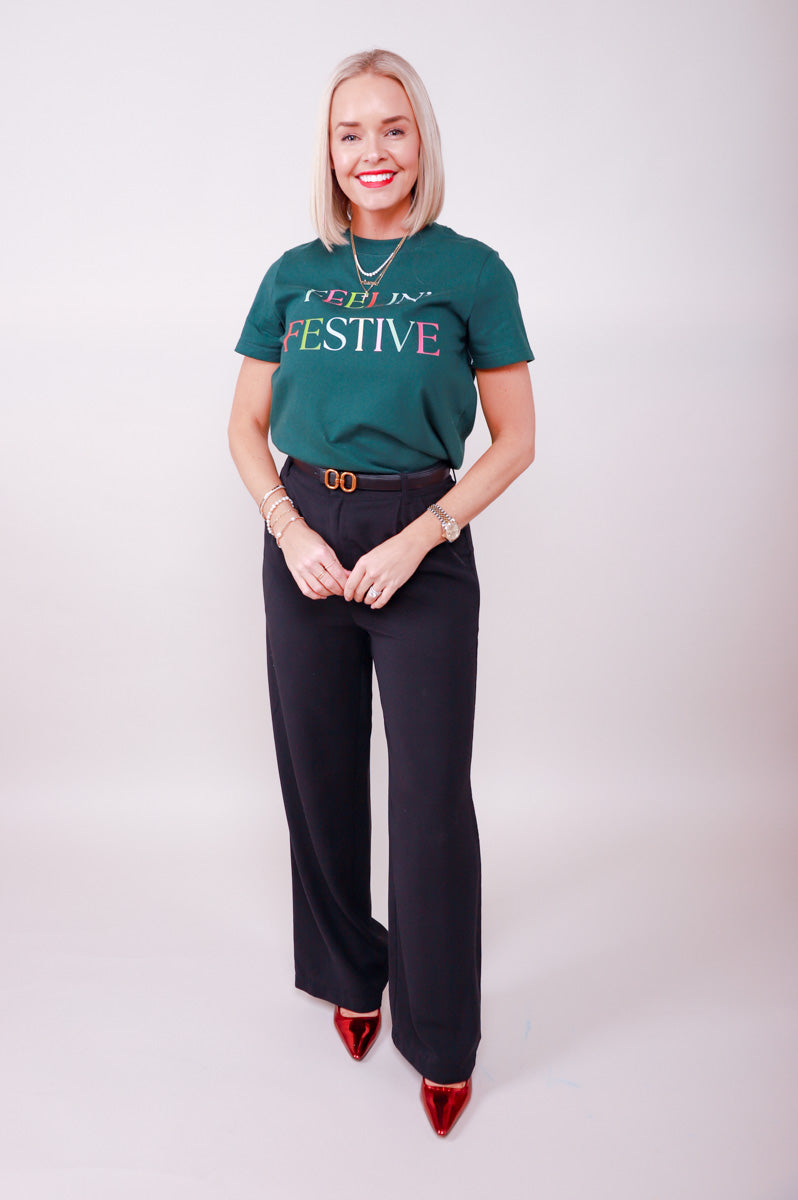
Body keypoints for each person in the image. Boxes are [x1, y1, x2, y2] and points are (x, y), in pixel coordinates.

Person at [228, 48, 535, 1137]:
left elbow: (515, 441)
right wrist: (288, 527)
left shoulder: (471, 272)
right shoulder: (293, 274)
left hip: (422, 537)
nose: (373, 152)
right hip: (307, 529)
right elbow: (244, 426)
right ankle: (352, 972)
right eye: (350, 132)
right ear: (328, 149)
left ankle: (442, 1036)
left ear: (422, 141)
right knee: (318, 774)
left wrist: (423, 536)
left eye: (393, 129)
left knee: (430, 798)